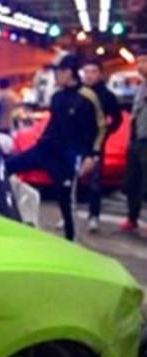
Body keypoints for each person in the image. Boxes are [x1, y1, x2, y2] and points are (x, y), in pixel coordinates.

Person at [5, 54, 106, 242]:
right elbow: (54, 122)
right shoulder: (57, 97)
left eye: (58, 72)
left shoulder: (87, 97)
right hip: (45, 149)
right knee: (6, 167)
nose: (56, 77)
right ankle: (8, 212)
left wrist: (93, 155)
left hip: (67, 157)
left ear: (69, 73)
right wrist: (42, 139)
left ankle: (71, 240)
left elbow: (100, 128)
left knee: (66, 201)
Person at [81, 61, 122, 232]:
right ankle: (67, 214)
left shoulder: (107, 96)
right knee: (71, 179)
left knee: (95, 182)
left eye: (93, 71)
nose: (90, 75)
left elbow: (117, 119)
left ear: (100, 74)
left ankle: (94, 216)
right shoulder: (78, 93)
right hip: (76, 142)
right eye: (87, 72)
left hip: (96, 143)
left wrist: (105, 133)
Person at [122, 45, 147, 234]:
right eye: (138, 61)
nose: (140, 66)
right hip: (137, 140)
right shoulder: (141, 87)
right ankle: (132, 218)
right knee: (133, 183)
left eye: (144, 61)